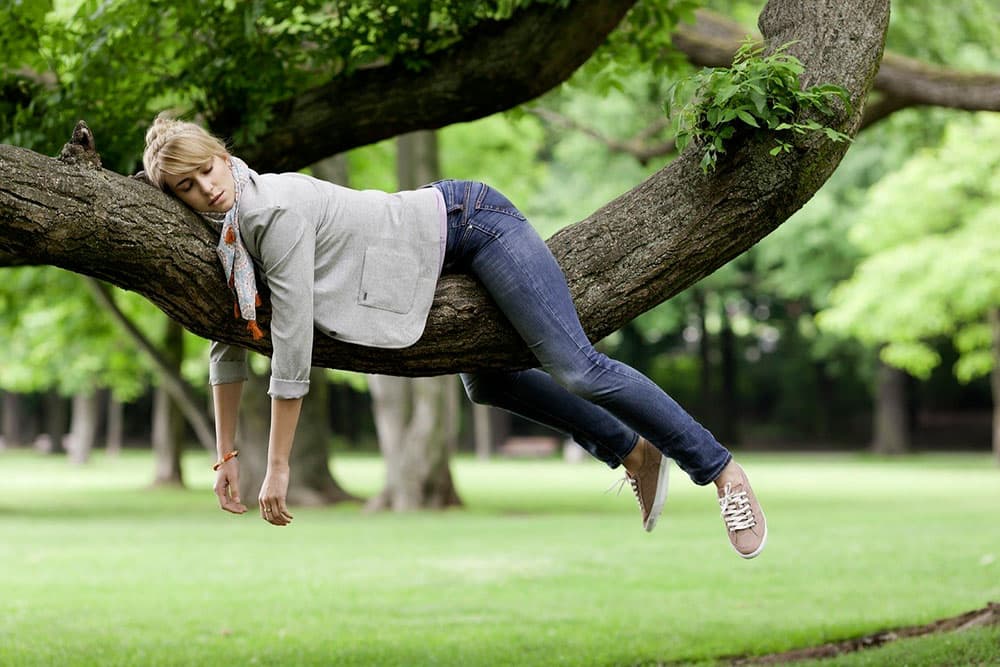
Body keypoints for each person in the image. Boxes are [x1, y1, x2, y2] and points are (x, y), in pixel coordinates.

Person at [142, 114, 767, 559]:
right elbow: (230, 339)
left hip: (472, 223)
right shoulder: (229, 239)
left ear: (223, 155)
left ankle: (721, 472)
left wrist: (276, 466)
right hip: (430, 258)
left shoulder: (267, 210)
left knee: (576, 366)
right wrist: (227, 456)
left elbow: (290, 347)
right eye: (187, 188)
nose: (205, 189)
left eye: (206, 171)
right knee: (487, 383)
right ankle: (632, 450)